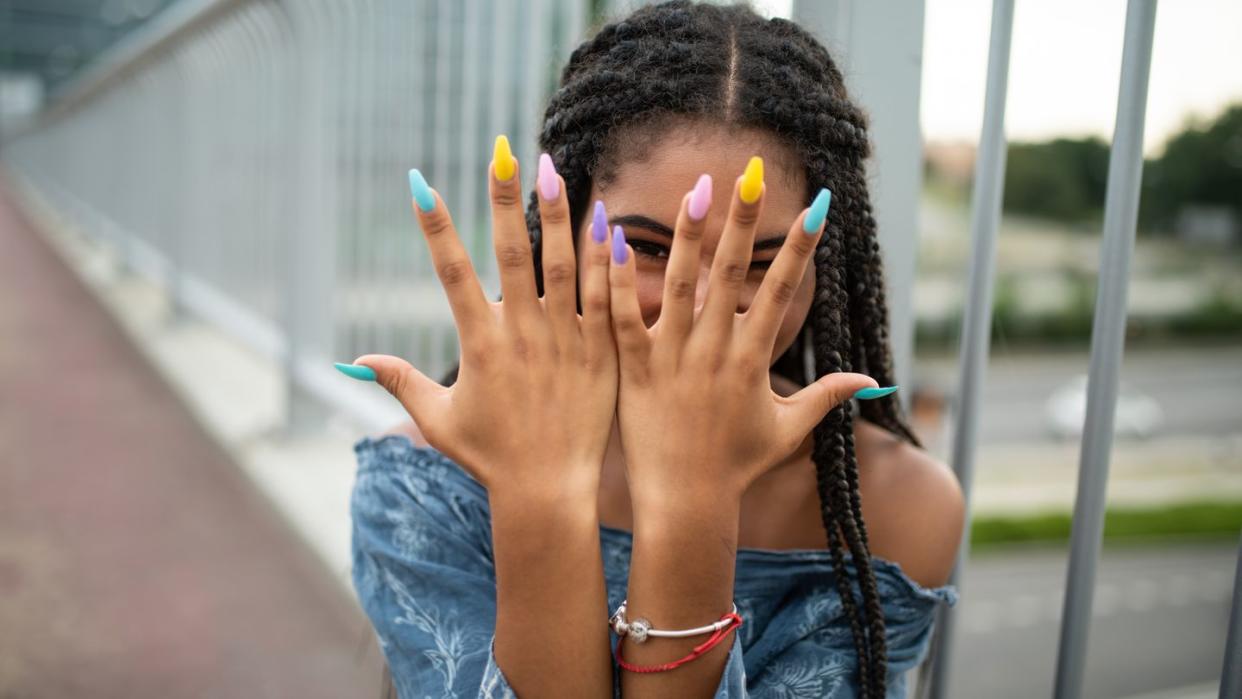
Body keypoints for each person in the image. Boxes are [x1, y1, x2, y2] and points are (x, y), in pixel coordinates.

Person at [336, 2, 964, 696]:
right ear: (565, 229)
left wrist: (691, 494)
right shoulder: (424, 487)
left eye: (761, 261)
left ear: (825, 264)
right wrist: (541, 491)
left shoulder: (899, 507)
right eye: (650, 246)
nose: (703, 306)